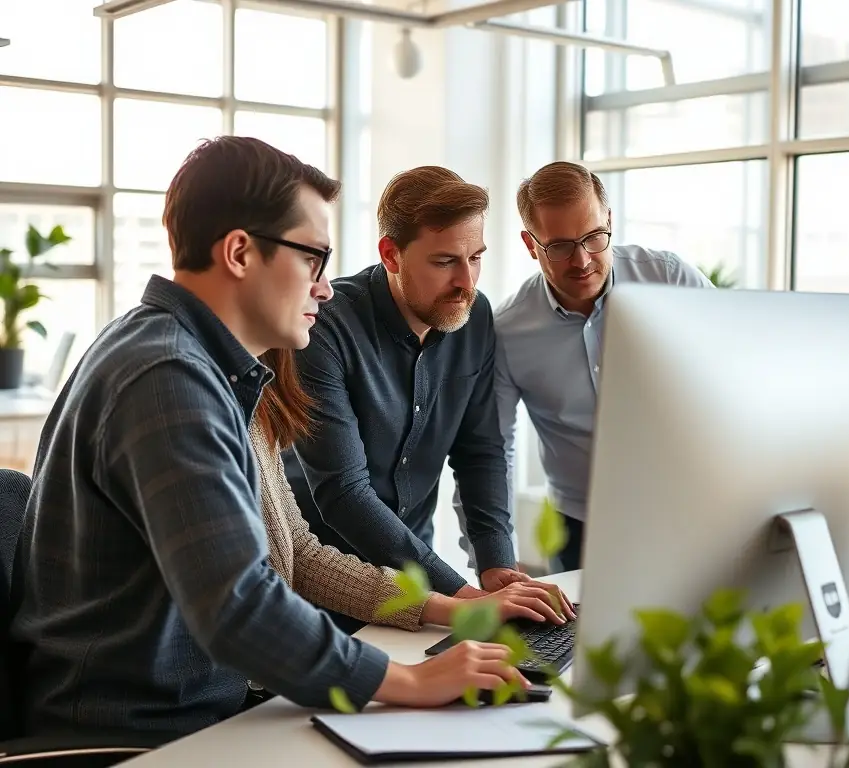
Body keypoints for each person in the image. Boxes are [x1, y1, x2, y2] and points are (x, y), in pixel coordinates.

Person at [10, 137, 529, 743]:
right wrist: (411, 683)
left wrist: (452, 608)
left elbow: (298, 557)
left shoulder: (216, 369)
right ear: (239, 253)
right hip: (138, 736)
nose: (326, 287)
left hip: (204, 708)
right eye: (313, 258)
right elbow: (239, 608)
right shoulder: (166, 378)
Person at [292, 165, 573, 617]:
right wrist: (459, 593)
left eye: (476, 257)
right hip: (323, 580)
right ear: (391, 254)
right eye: (445, 262)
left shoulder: (473, 315)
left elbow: (480, 450)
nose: (466, 281)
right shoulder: (324, 326)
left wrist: (496, 564)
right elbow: (344, 493)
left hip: (417, 584)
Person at [458, 160, 713, 573]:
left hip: (688, 512)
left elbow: (735, 379)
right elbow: (490, 451)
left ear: (609, 220)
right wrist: (491, 559)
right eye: (558, 246)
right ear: (530, 244)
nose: (581, 261)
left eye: (594, 237)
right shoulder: (507, 330)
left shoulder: (671, 281)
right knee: (581, 640)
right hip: (579, 529)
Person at [252, 346, 572, 632]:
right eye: (312, 276)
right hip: (269, 657)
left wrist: (468, 599)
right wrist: (461, 601)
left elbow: (301, 555)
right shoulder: (212, 406)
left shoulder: (256, 399)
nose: (322, 291)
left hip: (386, 587)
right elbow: (345, 496)